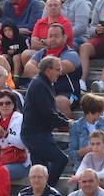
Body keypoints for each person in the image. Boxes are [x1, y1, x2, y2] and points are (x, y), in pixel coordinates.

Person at [22, 56, 74, 186]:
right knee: (60, 160)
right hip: (36, 134)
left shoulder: (43, 83)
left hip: (37, 133)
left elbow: (52, 110)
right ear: (48, 70)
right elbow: (48, 113)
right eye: (57, 69)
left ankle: (42, 191)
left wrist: (66, 120)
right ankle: (46, 190)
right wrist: (66, 123)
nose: (60, 72)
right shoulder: (40, 84)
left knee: (40, 170)